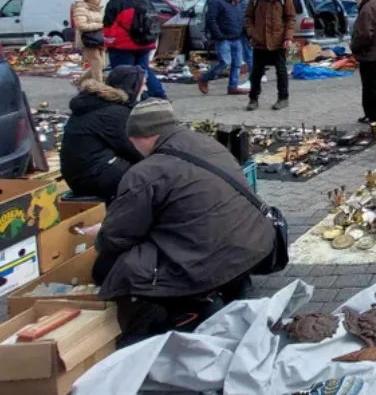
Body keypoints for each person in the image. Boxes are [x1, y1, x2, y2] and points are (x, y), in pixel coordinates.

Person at [93, 99, 274, 345]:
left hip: (211, 259)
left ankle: (193, 311)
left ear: (142, 136)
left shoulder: (145, 171)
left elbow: (116, 237)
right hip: (257, 241)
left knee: (107, 266)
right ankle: (233, 288)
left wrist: (100, 233)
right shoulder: (206, 143)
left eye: (132, 141)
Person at [59, 66, 146, 203]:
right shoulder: (114, 113)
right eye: (143, 84)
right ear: (133, 86)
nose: (145, 88)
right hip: (93, 177)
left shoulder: (99, 104)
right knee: (154, 174)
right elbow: (136, 149)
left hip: (80, 174)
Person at [103, 0, 166, 99]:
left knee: (124, 74)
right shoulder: (145, 1)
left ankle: (129, 99)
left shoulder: (116, 3)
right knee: (144, 70)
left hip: (122, 45)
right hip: (145, 43)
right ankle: (158, 94)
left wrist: (108, 44)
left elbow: (109, 28)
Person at [244, 0, 295, 111]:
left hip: (278, 42)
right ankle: (253, 99)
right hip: (259, 42)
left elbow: (290, 19)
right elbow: (248, 17)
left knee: (281, 71)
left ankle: (283, 98)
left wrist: (288, 38)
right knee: (256, 72)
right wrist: (251, 32)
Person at [199, 0, 246, 96]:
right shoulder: (216, 2)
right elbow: (211, 20)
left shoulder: (236, 4)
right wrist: (219, 35)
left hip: (236, 38)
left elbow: (240, 20)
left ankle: (233, 87)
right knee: (225, 62)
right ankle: (204, 78)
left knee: (237, 63)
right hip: (223, 38)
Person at [72, 0, 106, 83]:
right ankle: (99, 86)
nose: (99, 0)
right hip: (88, 39)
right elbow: (81, 26)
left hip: (99, 39)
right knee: (97, 64)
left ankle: (79, 80)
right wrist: (101, 25)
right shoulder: (81, 9)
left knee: (101, 65)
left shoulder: (97, 9)